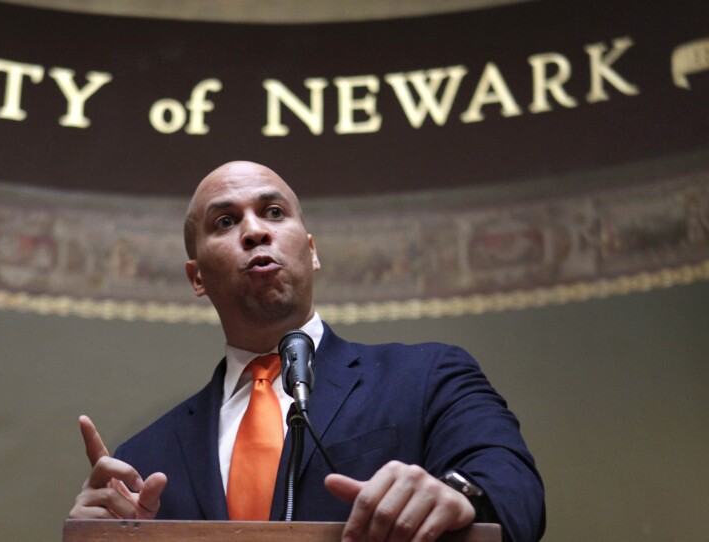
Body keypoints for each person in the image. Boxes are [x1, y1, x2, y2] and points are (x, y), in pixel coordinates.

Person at [69, 161, 545, 542]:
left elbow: (516, 491)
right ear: (196, 277)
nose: (255, 231)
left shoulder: (428, 376)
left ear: (311, 251)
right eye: (226, 221)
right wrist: (93, 535)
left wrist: (456, 495)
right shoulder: (142, 462)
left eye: (273, 213)